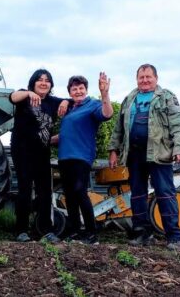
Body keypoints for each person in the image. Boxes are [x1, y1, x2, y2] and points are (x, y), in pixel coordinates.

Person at [107, 64, 180, 250]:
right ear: (137, 79)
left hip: (159, 154)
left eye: (148, 77)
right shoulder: (129, 99)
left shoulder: (167, 97)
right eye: (141, 77)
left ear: (156, 78)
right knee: (137, 195)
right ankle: (142, 234)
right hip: (134, 155)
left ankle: (174, 236)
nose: (144, 80)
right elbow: (118, 129)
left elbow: (179, 125)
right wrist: (113, 150)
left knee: (165, 193)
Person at [9, 69, 67, 243]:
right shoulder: (25, 97)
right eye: (40, 80)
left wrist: (64, 101)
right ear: (33, 83)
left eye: (47, 80)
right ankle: (21, 231)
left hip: (42, 153)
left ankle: (46, 231)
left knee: (45, 192)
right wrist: (28, 93)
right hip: (22, 151)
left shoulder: (52, 102)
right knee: (25, 190)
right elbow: (12, 97)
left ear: (51, 85)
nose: (43, 83)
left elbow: (72, 102)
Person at [56, 73, 113, 245]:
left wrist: (104, 94)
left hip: (81, 156)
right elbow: (66, 134)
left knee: (80, 192)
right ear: (70, 92)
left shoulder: (93, 105)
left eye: (81, 88)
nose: (78, 91)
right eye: (74, 89)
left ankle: (91, 233)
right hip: (65, 156)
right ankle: (74, 231)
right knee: (70, 195)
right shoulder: (70, 109)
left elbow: (107, 113)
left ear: (86, 90)